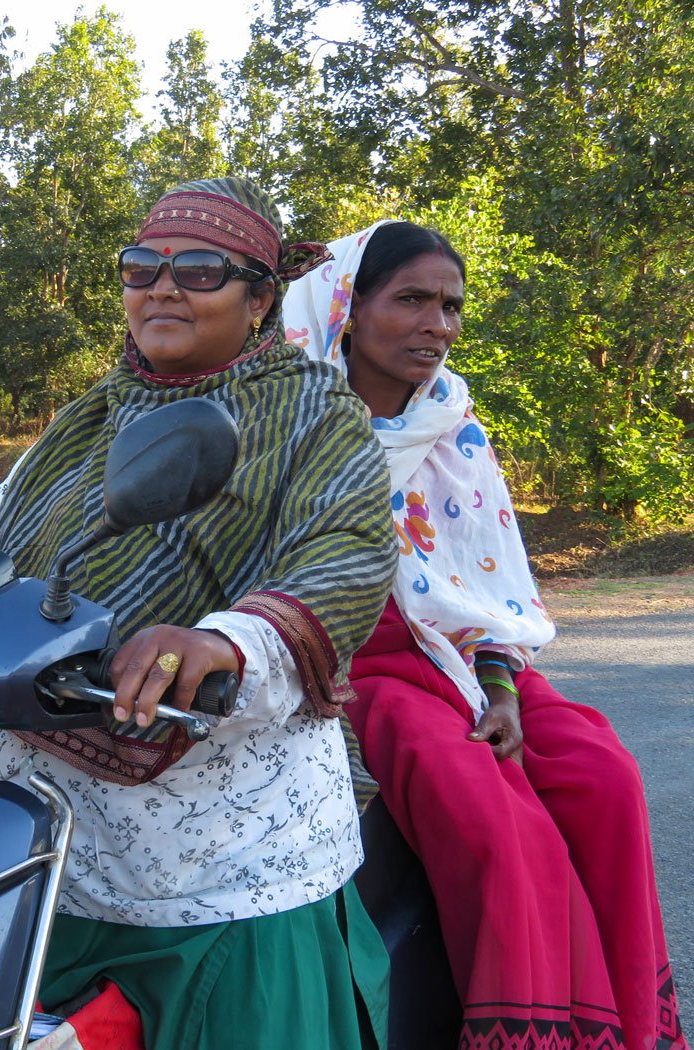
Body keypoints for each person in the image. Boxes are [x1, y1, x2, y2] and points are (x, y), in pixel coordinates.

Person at [0, 178, 399, 1050]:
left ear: (261, 296)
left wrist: (224, 640)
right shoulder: (89, 417)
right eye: (140, 268)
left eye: (200, 270)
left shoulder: (315, 411)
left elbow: (345, 549)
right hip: (48, 813)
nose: (161, 288)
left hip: (223, 843)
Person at [282, 219, 687, 1050]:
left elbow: (489, 585)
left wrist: (502, 688)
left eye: (452, 306)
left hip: (467, 660)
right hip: (371, 671)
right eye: (412, 300)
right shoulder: (288, 423)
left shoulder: (453, 425)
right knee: (496, 817)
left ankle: (627, 1030)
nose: (439, 325)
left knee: (603, 772)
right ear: (348, 307)